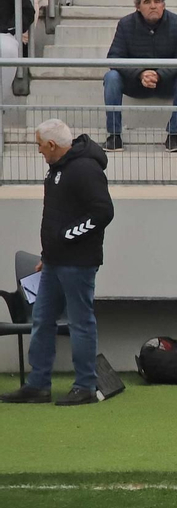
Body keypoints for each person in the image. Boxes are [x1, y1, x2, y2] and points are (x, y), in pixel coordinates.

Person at [0, 119, 111, 406]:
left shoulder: (85, 169)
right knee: (42, 319)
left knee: (80, 322)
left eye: (39, 145)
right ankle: (38, 384)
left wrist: (67, 237)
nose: (38, 151)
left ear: (52, 145)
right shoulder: (56, 171)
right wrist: (48, 254)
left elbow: (103, 213)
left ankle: (85, 385)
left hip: (78, 263)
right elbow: (56, 215)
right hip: (53, 263)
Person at [103, 0, 177, 152]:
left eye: (157, 1)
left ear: (163, 5)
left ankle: (174, 135)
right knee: (111, 77)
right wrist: (141, 74)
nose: (153, 6)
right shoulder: (126, 24)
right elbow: (114, 57)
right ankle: (114, 135)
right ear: (138, 7)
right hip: (135, 82)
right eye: (147, 2)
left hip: (166, 82)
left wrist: (159, 74)